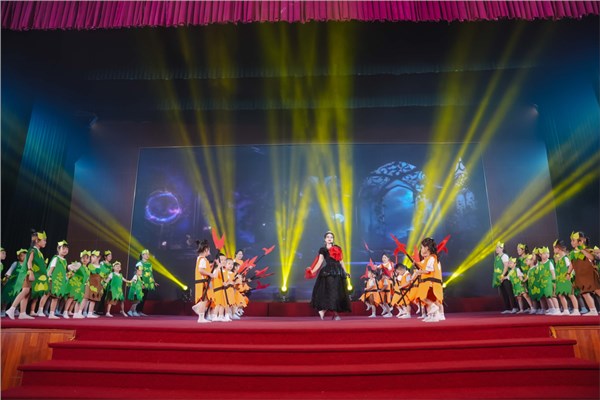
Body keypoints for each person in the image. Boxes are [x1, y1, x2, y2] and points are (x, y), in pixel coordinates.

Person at [307, 231, 351, 320]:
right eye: (328, 237)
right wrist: (313, 271)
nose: (329, 238)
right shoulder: (323, 250)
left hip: (338, 272)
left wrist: (346, 271)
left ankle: (326, 312)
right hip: (329, 272)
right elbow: (320, 262)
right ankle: (330, 313)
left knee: (337, 293)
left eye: (331, 237)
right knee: (331, 292)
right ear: (325, 239)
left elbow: (341, 261)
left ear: (333, 239)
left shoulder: (338, 248)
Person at [6, 231, 48, 320]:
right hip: (27, 273)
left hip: (31, 273)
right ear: (37, 241)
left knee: (27, 293)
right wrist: (30, 272)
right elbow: (29, 261)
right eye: (44, 240)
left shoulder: (38, 251)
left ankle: (22, 313)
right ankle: (11, 309)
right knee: (25, 291)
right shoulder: (32, 250)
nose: (45, 242)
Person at [567, 231, 600, 316]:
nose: (571, 242)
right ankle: (593, 310)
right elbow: (572, 264)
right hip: (580, 275)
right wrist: (568, 273)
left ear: (580, 241)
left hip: (589, 274)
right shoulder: (572, 253)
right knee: (584, 292)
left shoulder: (586, 249)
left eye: (573, 240)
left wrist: (582, 250)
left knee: (597, 290)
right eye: (571, 240)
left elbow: (592, 258)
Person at [413, 237, 444, 322]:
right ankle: (433, 315)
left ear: (427, 248)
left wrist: (419, 272)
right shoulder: (428, 259)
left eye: (422, 247)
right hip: (427, 283)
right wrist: (415, 264)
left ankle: (434, 308)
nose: (421, 249)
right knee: (426, 298)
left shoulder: (432, 258)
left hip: (430, 283)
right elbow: (421, 264)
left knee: (424, 297)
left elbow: (428, 270)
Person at [191, 239, 215, 323]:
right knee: (204, 300)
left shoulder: (200, 259)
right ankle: (200, 317)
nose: (209, 252)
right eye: (209, 250)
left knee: (205, 299)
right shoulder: (203, 259)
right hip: (202, 282)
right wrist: (210, 274)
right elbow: (201, 270)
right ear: (206, 250)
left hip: (202, 281)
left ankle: (198, 308)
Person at [45, 240, 70, 319]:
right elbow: (51, 269)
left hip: (60, 281)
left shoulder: (64, 261)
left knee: (56, 297)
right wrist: (47, 278)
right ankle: (41, 310)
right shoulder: (56, 258)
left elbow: (63, 271)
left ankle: (52, 313)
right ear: (58, 249)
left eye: (66, 249)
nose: (65, 250)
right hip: (53, 280)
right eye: (63, 248)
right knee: (47, 295)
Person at [493, 242, 517, 314]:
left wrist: (502, 275)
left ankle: (515, 307)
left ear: (502, 248)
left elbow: (506, 266)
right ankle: (507, 308)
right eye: (496, 247)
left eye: (498, 247)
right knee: (503, 293)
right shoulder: (497, 257)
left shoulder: (504, 256)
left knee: (509, 292)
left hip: (505, 276)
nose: (496, 249)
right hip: (500, 277)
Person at [136, 249, 159, 316]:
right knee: (139, 297)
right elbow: (138, 274)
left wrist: (154, 282)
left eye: (148, 254)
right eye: (146, 254)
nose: (147, 255)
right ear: (142, 255)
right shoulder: (139, 263)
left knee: (144, 297)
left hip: (147, 282)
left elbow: (150, 274)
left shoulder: (149, 264)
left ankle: (140, 311)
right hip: (141, 281)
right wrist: (141, 283)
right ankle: (135, 310)